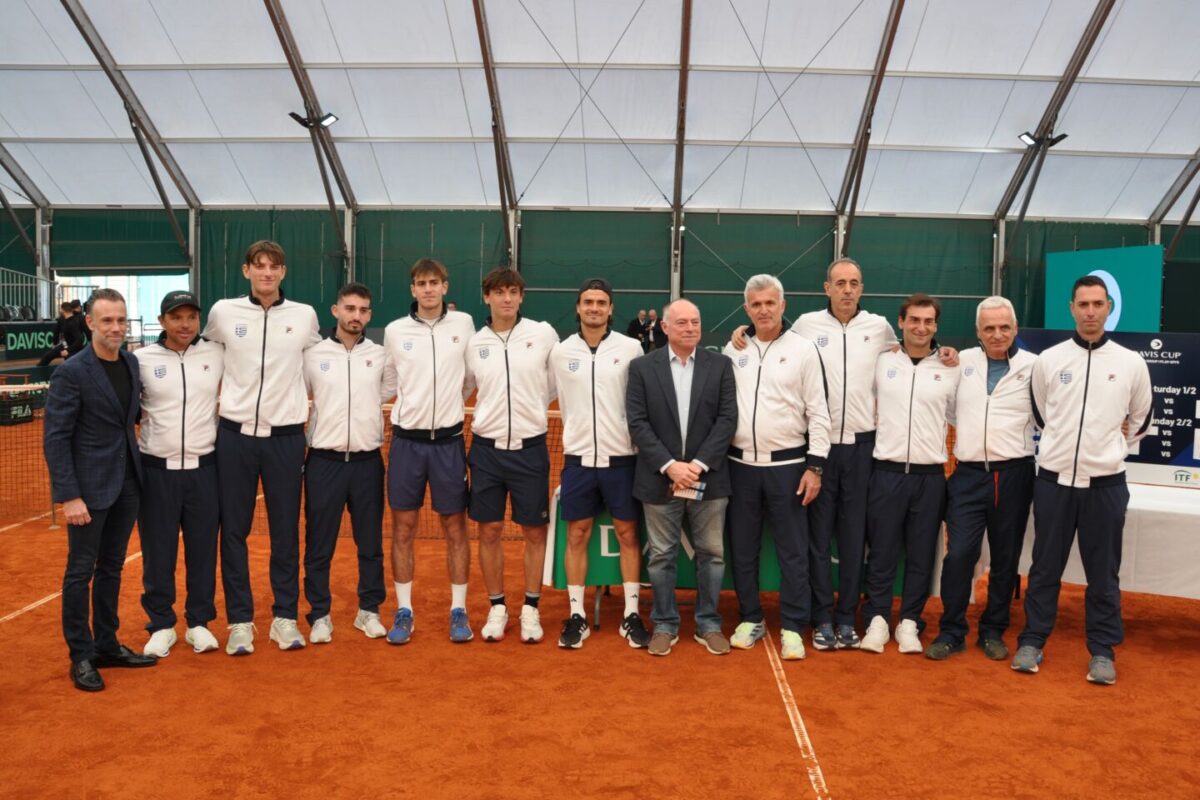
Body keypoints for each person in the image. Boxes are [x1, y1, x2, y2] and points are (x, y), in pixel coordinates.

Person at [731, 258, 956, 650]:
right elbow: (768, 334)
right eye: (840, 283)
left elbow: (912, 348)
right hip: (815, 452)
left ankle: (846, 618)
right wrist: (743, 333)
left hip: (864, 449)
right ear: (827, 287)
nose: (847, 289)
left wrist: (944, 351)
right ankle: (820, 619)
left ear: (861, 288)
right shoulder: (804, 326)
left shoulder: (880, 327)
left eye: (854, 282)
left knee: (853, 539)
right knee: (817, 540)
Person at [1012, 275, 1152, 685]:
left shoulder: (1131, 363)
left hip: (1106, 484)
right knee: (1043, 569)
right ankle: (1032, 641)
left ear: (1108, 307)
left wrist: (1109, 448)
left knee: (1103, 574)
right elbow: (1040, 414)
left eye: (1097, 304)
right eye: (1083, 304)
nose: (1090, 312)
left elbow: (1141, 419)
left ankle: (1103, 652)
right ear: (1070, 308)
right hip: (1054, 483)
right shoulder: (1049, 360)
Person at [201, 240, 322, 655]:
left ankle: (285, 618)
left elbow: (317, 365)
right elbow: (205, 357)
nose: (267, 272)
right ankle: (240, 622)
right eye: (259, 265)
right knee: (233, 531)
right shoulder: (222, 312)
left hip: (287, 439)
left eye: (274, 266)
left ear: (283, 273)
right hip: (233, 438)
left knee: (285, 531)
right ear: (246, 270)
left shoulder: (304, 316)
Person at [44, 288, 156, 691]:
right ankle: (81, 655)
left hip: (127, 482)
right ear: (89, 322)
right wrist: (70, 495)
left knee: (112, 567)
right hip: (87, 490)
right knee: (80, 571)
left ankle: (107, 644)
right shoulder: (71, 372)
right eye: (107, 320)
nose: (116, 327)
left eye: (121, 320)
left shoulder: (130, 362)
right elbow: (56, 438)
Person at [723, 275, 830, 660]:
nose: (764, 310)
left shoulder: (802, 350)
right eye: (756, 304)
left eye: (770, 303)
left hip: (789, 467)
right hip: (739, 468)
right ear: (746, 309)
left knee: (793, 552)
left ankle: (792, 626)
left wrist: (815, 466)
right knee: (743, 550)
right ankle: (750, 617)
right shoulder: (733, 349)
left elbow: (819, 411)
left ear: (783, 306)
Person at [927, 297, 1036, 662]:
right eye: (988, 328)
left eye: (1004, 327)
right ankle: (951, 630)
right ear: (978, 332)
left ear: (1015, 329)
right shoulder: (962, 362)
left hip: (1016, 476)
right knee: (959, 555)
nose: (997, 334)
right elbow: (946, 405)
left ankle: (992, 630)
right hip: (968, 475)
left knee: (1005, 559)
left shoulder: (1035, 367)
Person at [626, 298, 737, 657]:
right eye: (682, 322)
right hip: (660, 478)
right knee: (661, 556)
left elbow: (726, 420)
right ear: (666, 327)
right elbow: (637, 422)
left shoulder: (720, 365)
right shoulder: (642, 367)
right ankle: (664, 623)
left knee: (712, 554)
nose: (690, 327)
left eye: (695, 321)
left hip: (709, 478)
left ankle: (708, 623)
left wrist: (698, 465)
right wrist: (671, 466)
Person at [551, 278, 651, 649]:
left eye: (601, 302)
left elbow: (642, 400)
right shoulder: (560, 353)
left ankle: (630, 615)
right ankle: (576, 614)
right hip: (578, 461)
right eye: (588, 302)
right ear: (578, 308)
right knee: (577, 534)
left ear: (611, 309)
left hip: (623, 460)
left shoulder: (632, 348)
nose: (594, 308)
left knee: (628, 534)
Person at [383, 258, 476, 644]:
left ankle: (459, 610)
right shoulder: (394, 331)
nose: (427, 289)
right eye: (420, 283)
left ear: (445, 286)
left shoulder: (464, 325)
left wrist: (449, 410)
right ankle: (404, 610)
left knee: (455, 527)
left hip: (450, 444)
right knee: (402, 528)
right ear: (412, 289)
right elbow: (389, 379)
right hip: (406, 443)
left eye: (434, 282)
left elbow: (470, 378)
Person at [860, 293, 959, 655]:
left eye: (928, 321)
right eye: (914, 320)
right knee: (882, 553)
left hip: (930, 477)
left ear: (936, 326)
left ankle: (911, 622)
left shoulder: (951, 368)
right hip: (884, 473)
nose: (921, 327)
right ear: (900, 323)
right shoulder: (881, 361)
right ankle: (877, 620)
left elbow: (959, 416)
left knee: (921, 555)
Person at [465, 268, 559, 643]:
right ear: (486, 297)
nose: (507, 298)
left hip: (531, 449)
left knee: (535, 531)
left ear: (521, 297)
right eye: (499, 292)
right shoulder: (474, 344)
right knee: (488, 531)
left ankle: (531, 609)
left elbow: (555, 382)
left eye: (513, 292)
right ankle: (498, 607)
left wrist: (533, 408)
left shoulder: (543, 334)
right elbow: (467, 387)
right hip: (486, 452)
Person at [302, 283, 397, 644]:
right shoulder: (313, 354)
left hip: (367, 463)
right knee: (318, 544)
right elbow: (301, 391)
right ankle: (320, 614)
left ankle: (369, 611)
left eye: (363, 310)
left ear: (369, 315)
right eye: (350, 308)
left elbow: (385, 390)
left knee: (369, 543)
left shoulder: (380, 355)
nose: (356, 316)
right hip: (323, 462)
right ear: (336, 311)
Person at [135, 290, 224, 658]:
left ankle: (199, 623)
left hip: (205, 470)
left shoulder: (216, 354)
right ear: (162, 322)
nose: (185, 324)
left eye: (191, 317)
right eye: (176, 317)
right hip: (157, 472)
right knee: (159, 553)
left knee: (203, 550)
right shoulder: (139, 360)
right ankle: (161, 625)